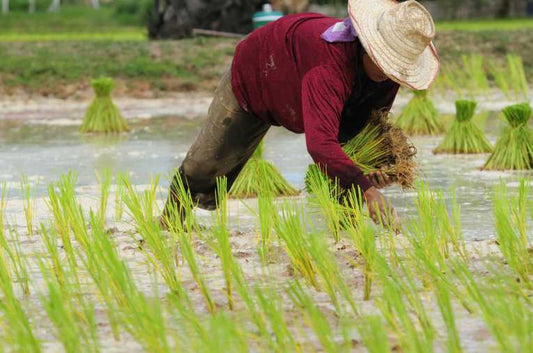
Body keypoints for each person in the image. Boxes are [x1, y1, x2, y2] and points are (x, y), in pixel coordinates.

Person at [162, 0, 440, 226]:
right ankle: (169, 224)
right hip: (259, 70)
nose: (389, 74)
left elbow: (365, 128)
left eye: (396, 69)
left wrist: (373, 171)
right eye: (385, 64)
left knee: (349, 166)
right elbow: (320, 145)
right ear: (368, 46)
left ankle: (345, 231)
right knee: (206, 162)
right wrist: (369, 190)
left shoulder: (386, 77)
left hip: (301, 83)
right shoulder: (329, 70)